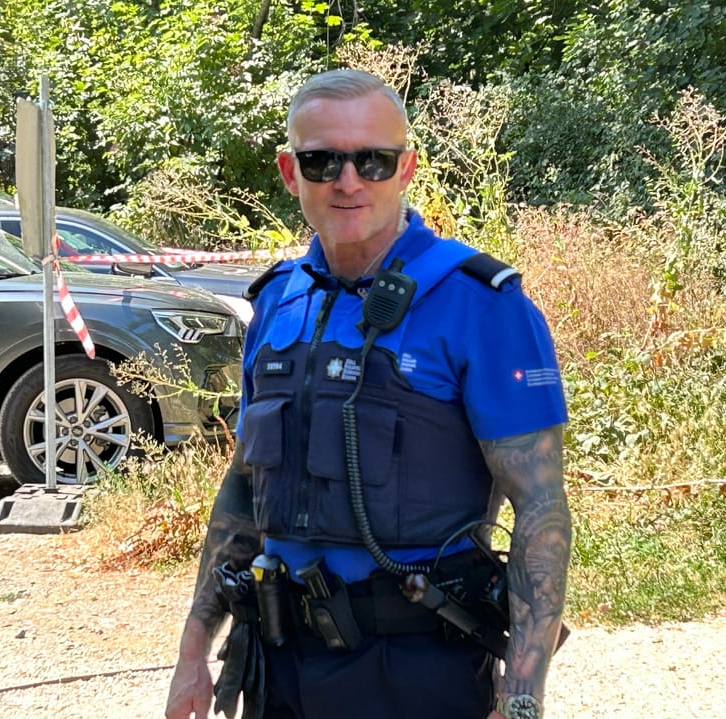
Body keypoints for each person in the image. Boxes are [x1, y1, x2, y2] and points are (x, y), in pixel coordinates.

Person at [165, 68, 571, 719]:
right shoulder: (277, 302)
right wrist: (193, 650)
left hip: (416, 673)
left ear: (406, 168)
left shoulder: (479, 304)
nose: (347, 181)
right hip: (277, 668)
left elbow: (541, 506)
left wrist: (522, 697)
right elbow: (243, 488)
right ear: (289, 170)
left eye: (372, 160)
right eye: (322, 160)